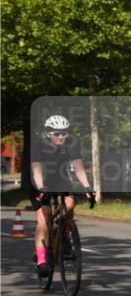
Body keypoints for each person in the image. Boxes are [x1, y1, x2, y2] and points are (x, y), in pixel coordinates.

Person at [29, 115, 93, 277]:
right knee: (44, 220)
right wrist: (41, 189)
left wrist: (87, 187)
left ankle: (63, 232)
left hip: (60, 179)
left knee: (69, 204)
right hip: (40, 182)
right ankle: (41, 260)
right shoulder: (39, 145)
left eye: (64, 133)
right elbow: (37, 171)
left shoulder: (71, 144)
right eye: (56, 134)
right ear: (48, 133)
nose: (60, 137)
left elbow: (78, 168)